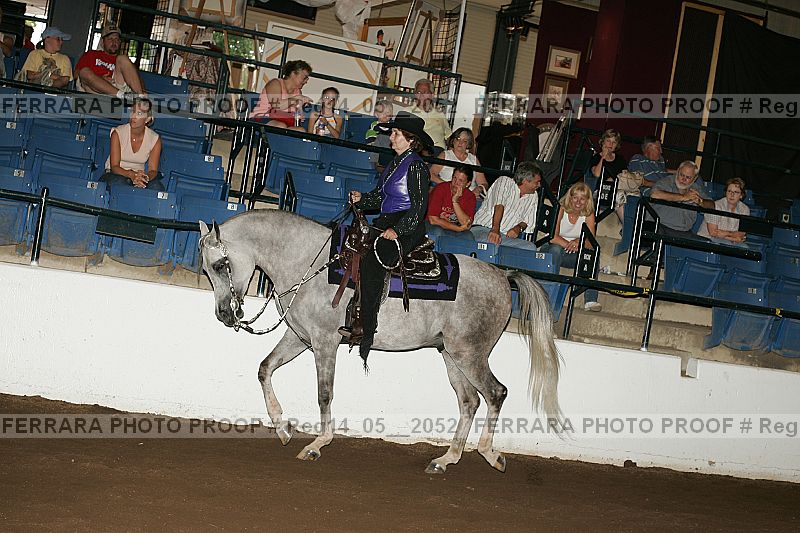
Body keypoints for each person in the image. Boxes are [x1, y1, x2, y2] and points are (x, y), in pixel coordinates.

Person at [339, 111, 433, 362]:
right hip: (387, 220)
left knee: (373, 262)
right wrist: (362, 199)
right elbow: (381, 196)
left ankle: (365, 327)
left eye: (396, 133)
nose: (391, 137)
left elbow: (418, 208)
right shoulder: (395, 163)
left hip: (407, 225)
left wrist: (398, 230)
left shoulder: (416, 166)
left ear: (410, 139)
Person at [541, 183, 601, 311]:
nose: (578, 202)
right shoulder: (560, 209)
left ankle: (590, 299)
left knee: (592, 255)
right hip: (551, 248)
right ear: (570, 198)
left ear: (587, 201)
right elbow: (552, 237)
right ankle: (549, 294)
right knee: (556, 249)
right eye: (575, 197)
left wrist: (579, 242)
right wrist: (570, 245)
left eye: (582, 198)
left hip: (571, 253)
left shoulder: (589, 214)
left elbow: (591, 241)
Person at [470, 161, 542, 250]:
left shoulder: (533, 196)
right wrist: (495, 229)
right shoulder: (504, 181)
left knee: (530, 248)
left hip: (505, 237)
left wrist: (518, 227)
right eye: (537, 182)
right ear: (525, 181)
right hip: (483, 229)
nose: (539, 185)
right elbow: (499, 206)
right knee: (492, 243)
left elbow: (527, 221)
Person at [100, 98, 164, 191]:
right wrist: (131, 175)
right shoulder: (118, 133)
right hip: (115, 175)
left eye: (139, 113)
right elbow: (114, 167)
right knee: (121, 184)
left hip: (138, 177)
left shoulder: (154, 139)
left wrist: (145, 179)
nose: (133, 116)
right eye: (132, 111)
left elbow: (153, 170)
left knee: (157, 187)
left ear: (147, 119)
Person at [75, 23, 145, 97]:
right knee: (84, 72)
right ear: (102, 42)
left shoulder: (123, 61)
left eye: (116, 39)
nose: (114, 42)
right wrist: (101, 79)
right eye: (110, 39)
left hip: (116, 87)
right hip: (94, 90)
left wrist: (142, 91)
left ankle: (140, 98)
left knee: (123, 58)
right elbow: (76, 75)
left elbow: (139, 80)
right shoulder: (91, 54)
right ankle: (121, 95)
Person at [649, 160, 713, 240]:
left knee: (705, 242)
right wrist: (683, 197)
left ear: (695, 178)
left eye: (688, 177)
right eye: (682, 175)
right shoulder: (667, 181)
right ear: (677, 171)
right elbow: (654, 194)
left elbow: (712, 205)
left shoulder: (696, 188)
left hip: (683, 232)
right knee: (658, 236)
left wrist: (700, 201)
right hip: (660, 226)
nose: (683, 179)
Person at [250, 59, 313, 131]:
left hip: (285, 121)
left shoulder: (298, 92)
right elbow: (276, 105)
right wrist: (296, 98)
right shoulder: (275, 83)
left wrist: (300, 114)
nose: (306, 81)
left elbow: (298, 112)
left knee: (301, 130)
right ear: (293, 74)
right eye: (304, 77)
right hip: (263, 117)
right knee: (280, 126)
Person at [429, 128, 489, 198]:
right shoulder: (445, 155)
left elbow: (484, 183)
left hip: (469, 196)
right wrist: (449, 185)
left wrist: (479, 189)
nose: (460, 142)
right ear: (453, 141)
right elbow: (431, 174)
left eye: (464, 141)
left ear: (468, 144)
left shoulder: (473, 159)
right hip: (448, 194)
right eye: (458, 139)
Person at [426, 165, 477, 240]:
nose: (456, 183)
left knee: (468, 236)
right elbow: (433, 220)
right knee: (437, 231)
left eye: (460, 180)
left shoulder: (470, 196)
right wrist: (458, 229)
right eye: (454, 178)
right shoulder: (440, 189)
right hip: (434, 225)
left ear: (467, 184)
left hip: (453, 228)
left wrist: (455, 202)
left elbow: (466, 224)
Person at [697, 177, 749, 245]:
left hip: (728, 240)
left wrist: (727, 234)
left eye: (736, 192)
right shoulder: (715, 206)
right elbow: (713, 233)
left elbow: (742, 233)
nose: (732, 195)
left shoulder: (745, 209)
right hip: (707, 239)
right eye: (729, 191)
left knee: (745, 248)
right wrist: (734, 237)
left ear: (741, 195)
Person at [408, 78, 452, 154]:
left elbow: (449, 137)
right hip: (417, 151)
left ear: (432, 95)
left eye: (425, 92)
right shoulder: (407, 112)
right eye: (419, 92)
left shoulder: (440, 115)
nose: (421, 95)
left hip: (439, 153)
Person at [365, 99, 393, 169]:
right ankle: (375, 164)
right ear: (376, 114)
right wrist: (371, 143)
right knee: (379, 138)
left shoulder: (392, 127)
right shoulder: (374, 125)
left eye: (387, 112)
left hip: (388, 149)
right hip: (377, 149)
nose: (385, 115)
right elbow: (370, 136)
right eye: (382, 112)